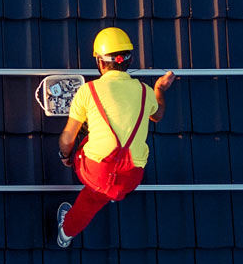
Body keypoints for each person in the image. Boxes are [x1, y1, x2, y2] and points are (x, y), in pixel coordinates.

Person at [55, 27, 176, 247]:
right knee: (106, 189)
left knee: (90, 199)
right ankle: (110, 192)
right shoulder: (145, 92)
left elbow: (66, 139)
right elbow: (157, 114)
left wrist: (65, 156)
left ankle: (66, 233)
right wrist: (159, 88)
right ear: (128, 62)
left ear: (100, 63)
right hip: (130, 178)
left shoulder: (88, 91)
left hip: (96, 173)